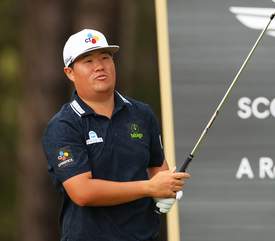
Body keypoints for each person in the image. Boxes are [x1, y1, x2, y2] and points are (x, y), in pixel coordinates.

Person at [42, 29, 189, 241]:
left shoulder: (141, 113)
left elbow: (156, 166)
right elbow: (82, 192)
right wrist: (150, 188)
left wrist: (163, 190)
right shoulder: (63, 126)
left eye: (105, 57)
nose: (99, 66)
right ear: (70, 73)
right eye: (88, 61)